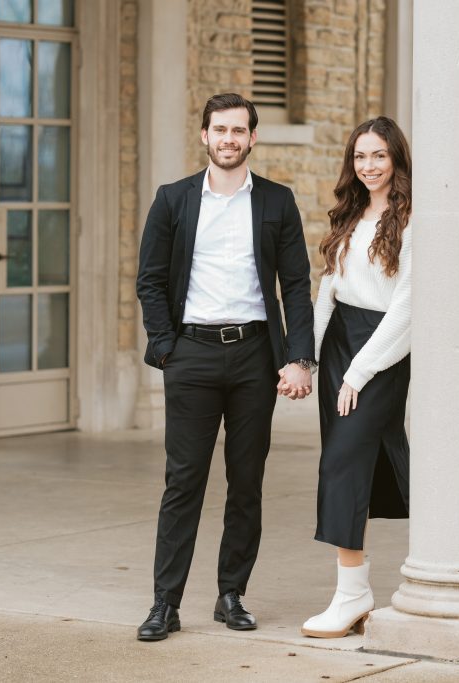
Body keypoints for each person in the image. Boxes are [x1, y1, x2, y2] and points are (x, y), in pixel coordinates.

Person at [135, 93, 316, 641]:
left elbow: (297, 285)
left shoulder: (278, 202)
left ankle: (230, 594)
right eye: (220, 129)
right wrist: (166, 347)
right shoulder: (173, 200)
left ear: (252, 138)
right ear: (205, 136)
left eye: (239, 130)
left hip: (253, 359)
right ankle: (165, 603)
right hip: (190, 354)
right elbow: (150, 280)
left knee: (247, 482)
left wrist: (299, 358)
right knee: (183, 482)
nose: (229, 139)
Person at [297, 117, 412, 638]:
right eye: (361, 156)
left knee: (343, 464)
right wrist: (310, 358)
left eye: (379, 156)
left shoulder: (412, 221)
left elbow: (408, 308)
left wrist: (360, 371)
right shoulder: (349, 215)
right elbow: (330, 292)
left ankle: (352, 596)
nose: (368, 166)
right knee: (352, 463)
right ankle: (357, 592)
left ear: (396, 160)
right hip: (339, 342)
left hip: (380, 349)